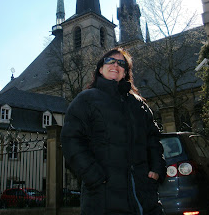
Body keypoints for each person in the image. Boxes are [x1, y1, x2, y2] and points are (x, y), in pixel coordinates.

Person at [61, 47, 166, 215]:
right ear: (100, 69)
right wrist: (93, 176)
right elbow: (71, 140)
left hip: (144, 196)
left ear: (125, 72)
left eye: (121, 63)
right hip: (103, 197)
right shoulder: (86, 99)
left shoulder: (139, 104)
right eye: (109, 61)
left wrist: (157, 168)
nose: (115, 65)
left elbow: (153, 139)